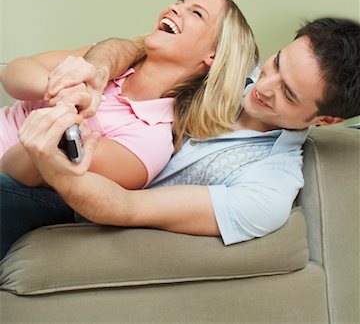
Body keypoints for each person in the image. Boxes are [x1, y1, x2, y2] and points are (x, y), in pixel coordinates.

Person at [1, 17, 359, 261]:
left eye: (289, 94)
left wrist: (57, 167)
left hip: (74, 196)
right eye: (277, 63)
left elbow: (127, 208)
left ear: (326, 120)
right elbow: (138, 50)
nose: (262, 86)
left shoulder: (266, 190)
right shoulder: (229, 69)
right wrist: (97, 70)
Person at [0, 0, 258, 191]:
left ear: (213, 55)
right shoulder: (105, 62)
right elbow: (13, 72)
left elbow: (18, 172)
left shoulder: (148, 144)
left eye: (196, 13)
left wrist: (66, 113)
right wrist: (62, 89)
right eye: (180, 1)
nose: (174, 7)